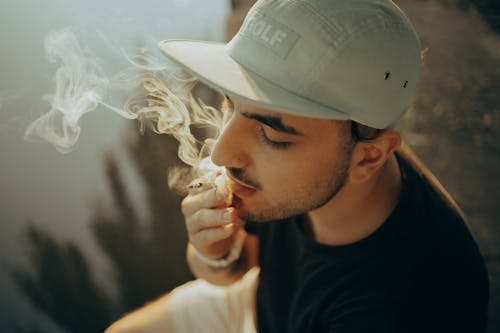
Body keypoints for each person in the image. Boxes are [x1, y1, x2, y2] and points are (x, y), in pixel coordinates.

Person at [105, 0, 489, 332]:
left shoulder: (400, 311)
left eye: (273, 136)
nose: (223, 153)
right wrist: (217, 253)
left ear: (369, 157)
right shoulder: (315, 171)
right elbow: (233, 271)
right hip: (261, 302)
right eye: (231, 104)